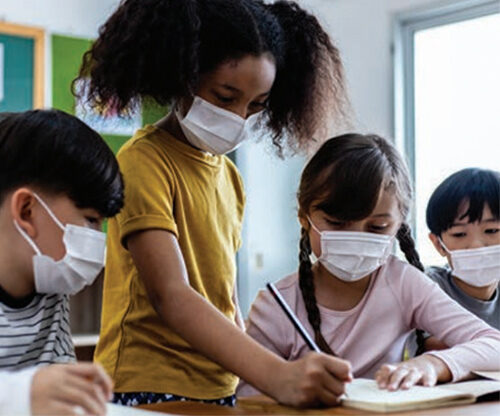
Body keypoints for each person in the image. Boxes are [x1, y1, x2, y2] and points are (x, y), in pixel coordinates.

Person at [76, 0, 351, 408]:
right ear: (184, 75)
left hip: (218, 387)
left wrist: (256, 370)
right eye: (225, 97)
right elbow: (171, 294)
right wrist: (276, 374)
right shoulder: (143, 161)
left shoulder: (230, 177)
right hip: (147, 385)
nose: (239, 118)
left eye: (256, 105)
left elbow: (225, 299)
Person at [237, 134, 500, 396]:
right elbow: (247, 399)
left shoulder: (403, 283)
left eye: (377, 227)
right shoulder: (276, 305)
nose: (356, 238)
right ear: (304, 218)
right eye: (337, 223)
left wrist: (434, 363)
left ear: (399, 225)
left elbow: (493, 344)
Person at [0, 110, 122, 415]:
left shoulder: (49, 287)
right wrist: (23, 393)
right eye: (91, 220)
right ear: (27, 210)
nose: (98, 237)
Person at [414, 168, 500, 353]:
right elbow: (434, 344)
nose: (477, 246)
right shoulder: (427, 286)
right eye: (459, 234)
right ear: (438, 243)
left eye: (492, 231)